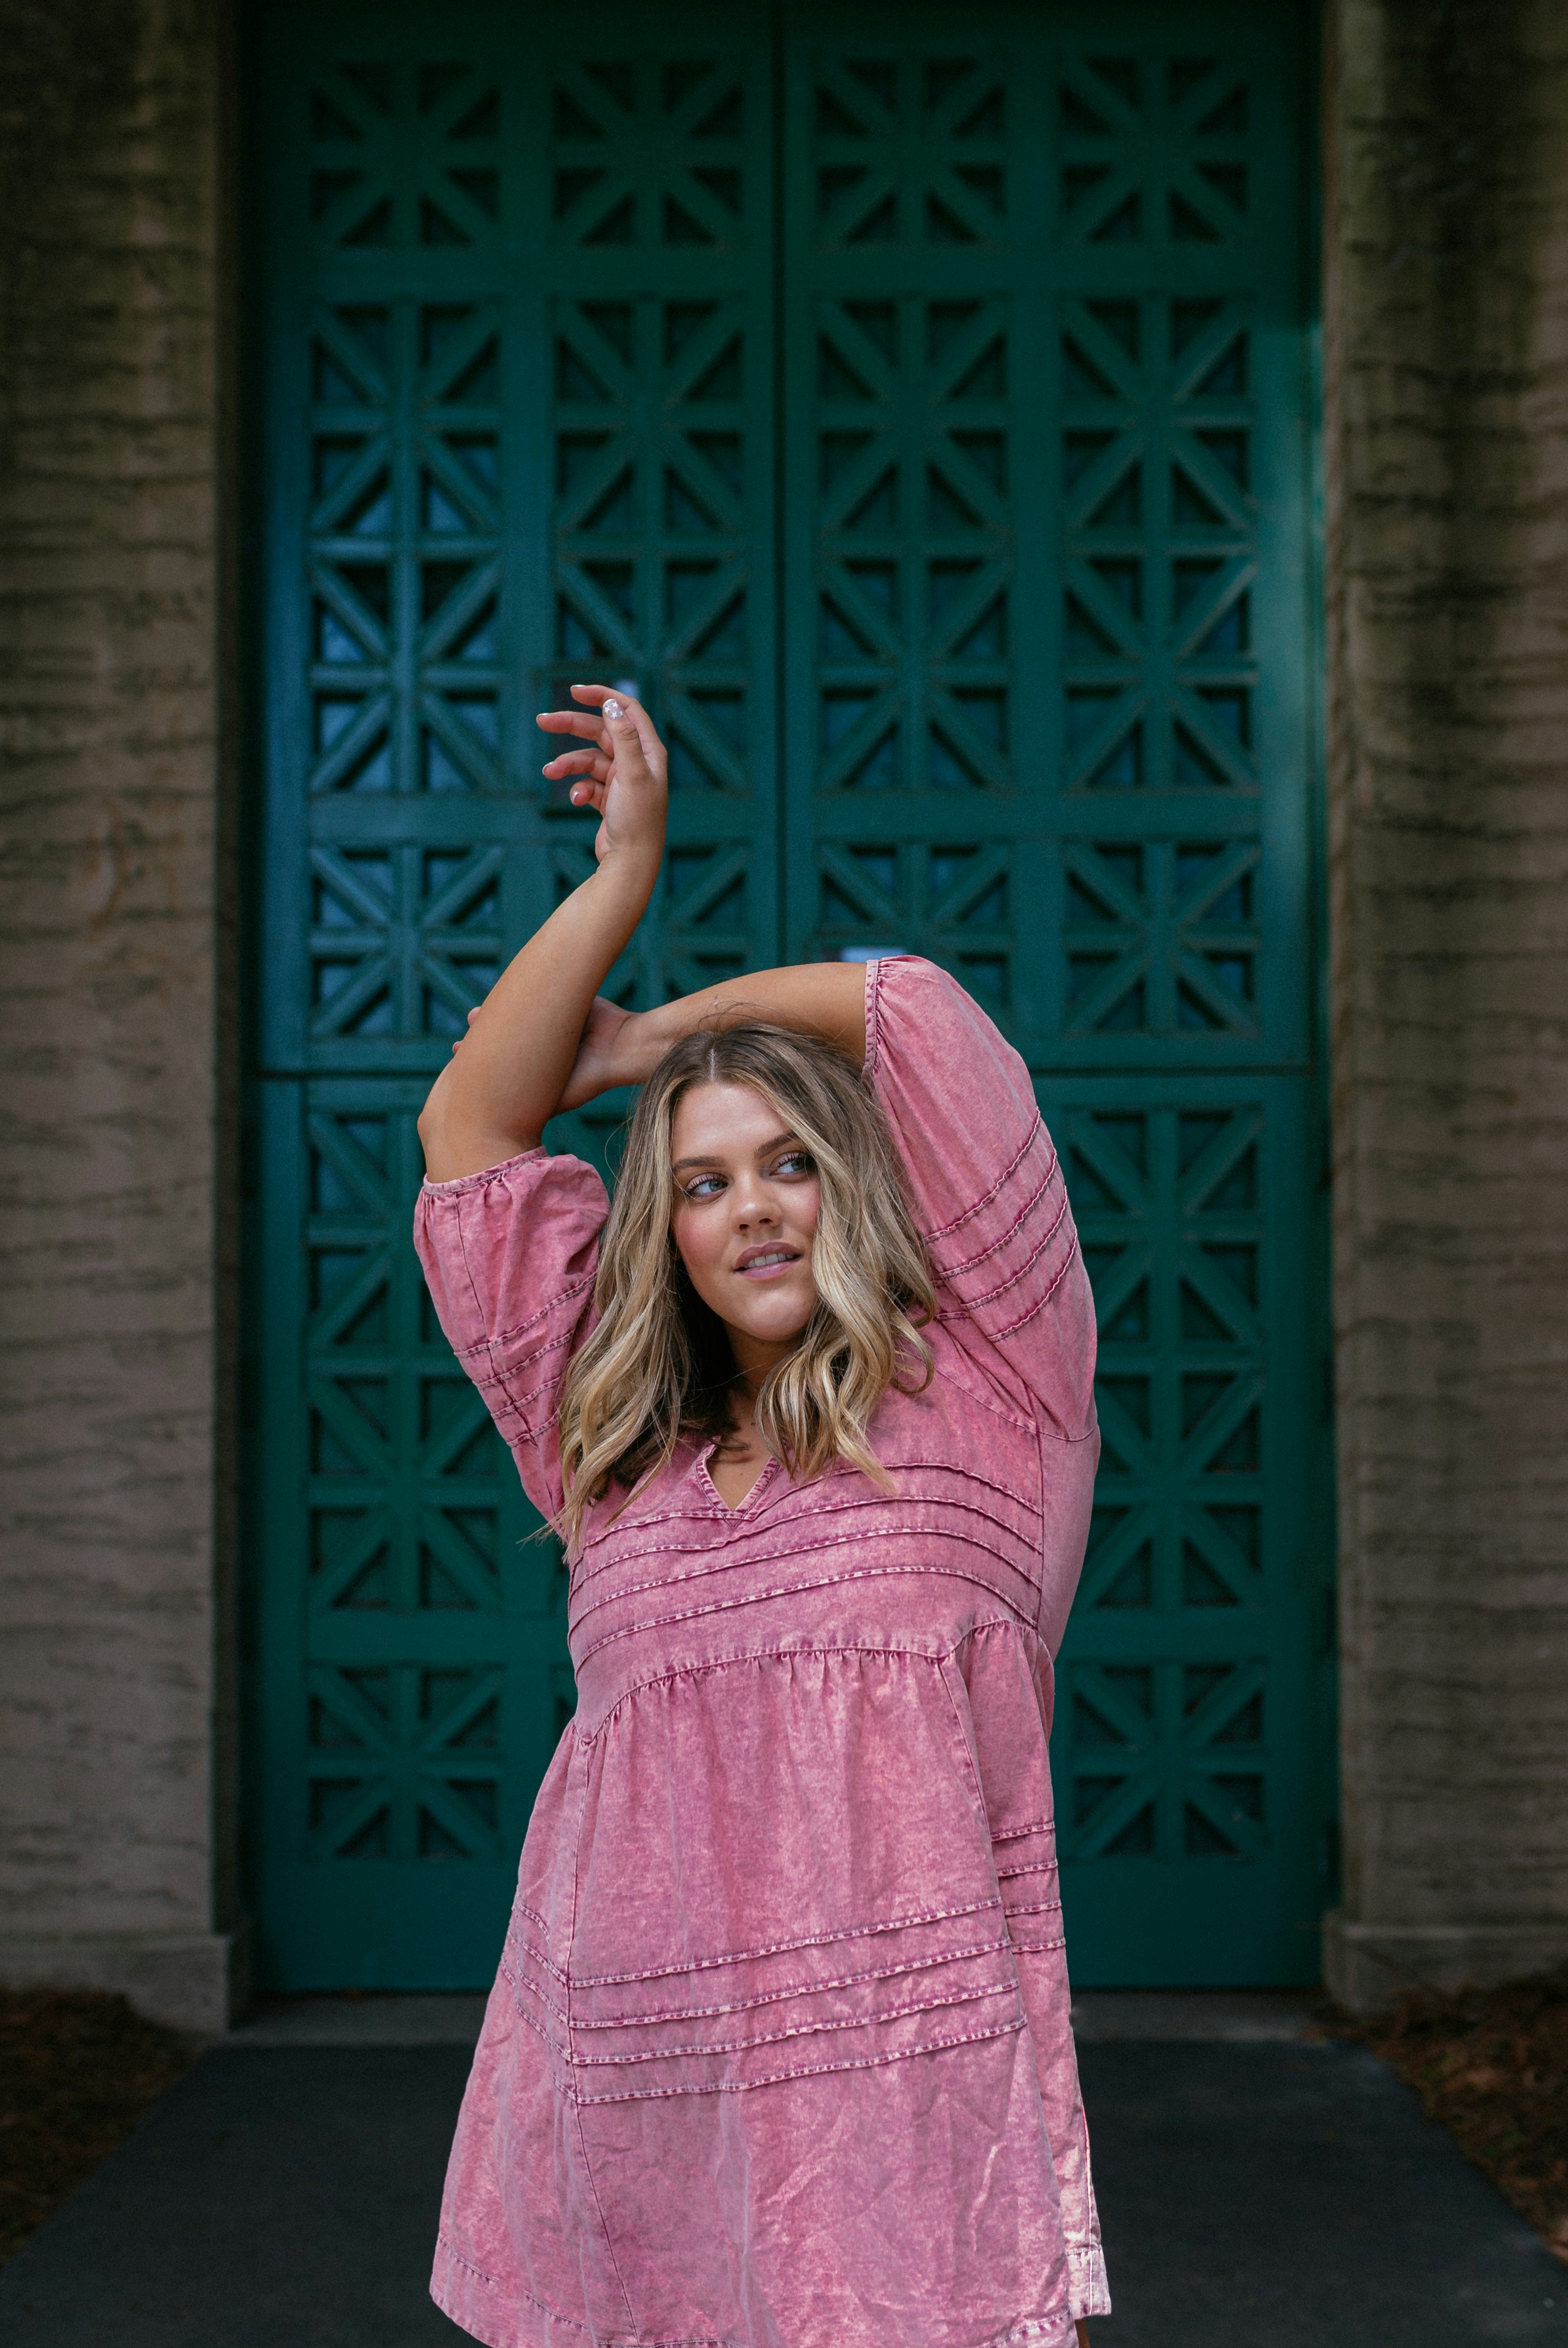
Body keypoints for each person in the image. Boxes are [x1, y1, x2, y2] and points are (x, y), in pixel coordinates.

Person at [414, 683, 1109, 2348]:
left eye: (789, 1161)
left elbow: (909, 1007)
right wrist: (614, 882)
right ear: (670, 1235)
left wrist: (665, 1045)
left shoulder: (1001, 1378)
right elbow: (467, 1136)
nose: (752, 1209)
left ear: (851, 1185)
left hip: (909, 2151)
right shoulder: (606, 1446)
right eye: (706, 1182)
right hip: (623, 2111)